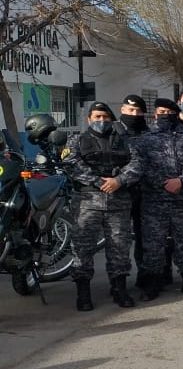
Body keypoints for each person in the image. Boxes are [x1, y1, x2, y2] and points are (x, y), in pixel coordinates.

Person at [63, 102, 143, 311]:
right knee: (82, 247)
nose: (101, 121)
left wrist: (120, 180)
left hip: (119, 201)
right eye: (97, 117)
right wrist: (99, 181)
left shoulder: (123, 141)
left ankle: (119, 289)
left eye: (106, 117)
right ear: (89, 119)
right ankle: (83, 292)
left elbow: (137, 164)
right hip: (87, 202)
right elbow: (71, 164)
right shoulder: (77, 140)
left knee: (119, 246)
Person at [135, 98, 183, 300]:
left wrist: (180, 181)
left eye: (170, 112)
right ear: (155, 115)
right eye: (161, 112)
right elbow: (140, 167)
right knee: (153, 245)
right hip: (154, 201)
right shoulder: (145, 140)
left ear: (176, 114)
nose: (165, 115)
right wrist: (162, 183)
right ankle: (152, 283)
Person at [118, 95, 151, 287]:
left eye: (138, 111)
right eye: (130, 111)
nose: (134, 114)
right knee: (119, 239)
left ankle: (144, 276)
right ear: (122, 110)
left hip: (144, 192)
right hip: (121, 192)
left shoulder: (148, 133)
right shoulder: (113, 131)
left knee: (144, 237)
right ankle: (119, 280)